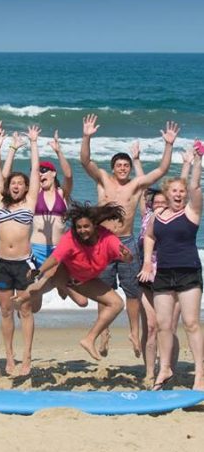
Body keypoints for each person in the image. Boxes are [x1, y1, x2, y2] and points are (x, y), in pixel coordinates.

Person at [80, 114, 179, 357]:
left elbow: (162, 170)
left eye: (126, 166)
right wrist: (86, 137)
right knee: (103, 290)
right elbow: (85, 161)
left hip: (125, 242)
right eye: (119, 166)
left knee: (132, 291)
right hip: (102, 242)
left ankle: (134, 332)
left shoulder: (136, 186)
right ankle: (103, 333)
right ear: (113, 168)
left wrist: (169, 144)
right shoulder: (103, 180)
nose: (123, 169)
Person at [13, 201, 132, 361]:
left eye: (86, 226)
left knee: (115, 304)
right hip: (64, 272)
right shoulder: (71, 238)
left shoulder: (107, 238)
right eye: (79, 227)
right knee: (42, 285)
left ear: (95, 225)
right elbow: (55, 258)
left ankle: (89, 339)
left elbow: (127, 256)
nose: (82, 230)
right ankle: (20, 299)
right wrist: (39, 270)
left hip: (84, 280)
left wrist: (127, 257)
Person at [138, 141, 204, 391]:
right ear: (167, 194)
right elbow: (151, 237)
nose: (179, 194)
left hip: (188, 273)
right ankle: (164, 368)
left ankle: (200, 373)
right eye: (174, 191)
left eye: (181, 191)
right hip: (163, 274)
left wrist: (197, 161)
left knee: (190, 323)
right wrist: (146, 262)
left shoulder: (192, 212)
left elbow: (196, 185)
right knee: (164, 325)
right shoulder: (157, 216)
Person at [4, 129, 87, 308]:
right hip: (36, 250)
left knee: (82, 301)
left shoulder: (62, 194)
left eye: (45, 171)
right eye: (39, 172)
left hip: (59, 251)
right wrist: (15, 148)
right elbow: (8, 181)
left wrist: (58, 151)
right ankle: (54, 283)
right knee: (35, 307)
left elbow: (69, 175)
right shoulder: (33, 195)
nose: (41, 174)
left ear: (53, 174)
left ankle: (56, 282)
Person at [0, 121, 40, 377]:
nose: (16, 185)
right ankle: (9, 358)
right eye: (14, 183)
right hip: (1, 264)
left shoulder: (30, 203)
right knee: (6, 312)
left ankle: (27, 357)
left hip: (24, 263)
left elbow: (34, 168)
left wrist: (32, 143)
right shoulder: (1, 201)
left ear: (27, 187)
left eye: (21, 183)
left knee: (26, 310)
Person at [132, 141, 184, 384]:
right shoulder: (146, 218)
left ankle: (169, 371)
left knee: (169, 328)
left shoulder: (176, 216)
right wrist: (136, 161)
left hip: (173, 277)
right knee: (151, 327)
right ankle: (150, 373)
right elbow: (143, 187)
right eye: (157, 203)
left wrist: (186, 166)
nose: (160, 206)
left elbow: (181, 190)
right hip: (146, 278)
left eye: (165, 203)